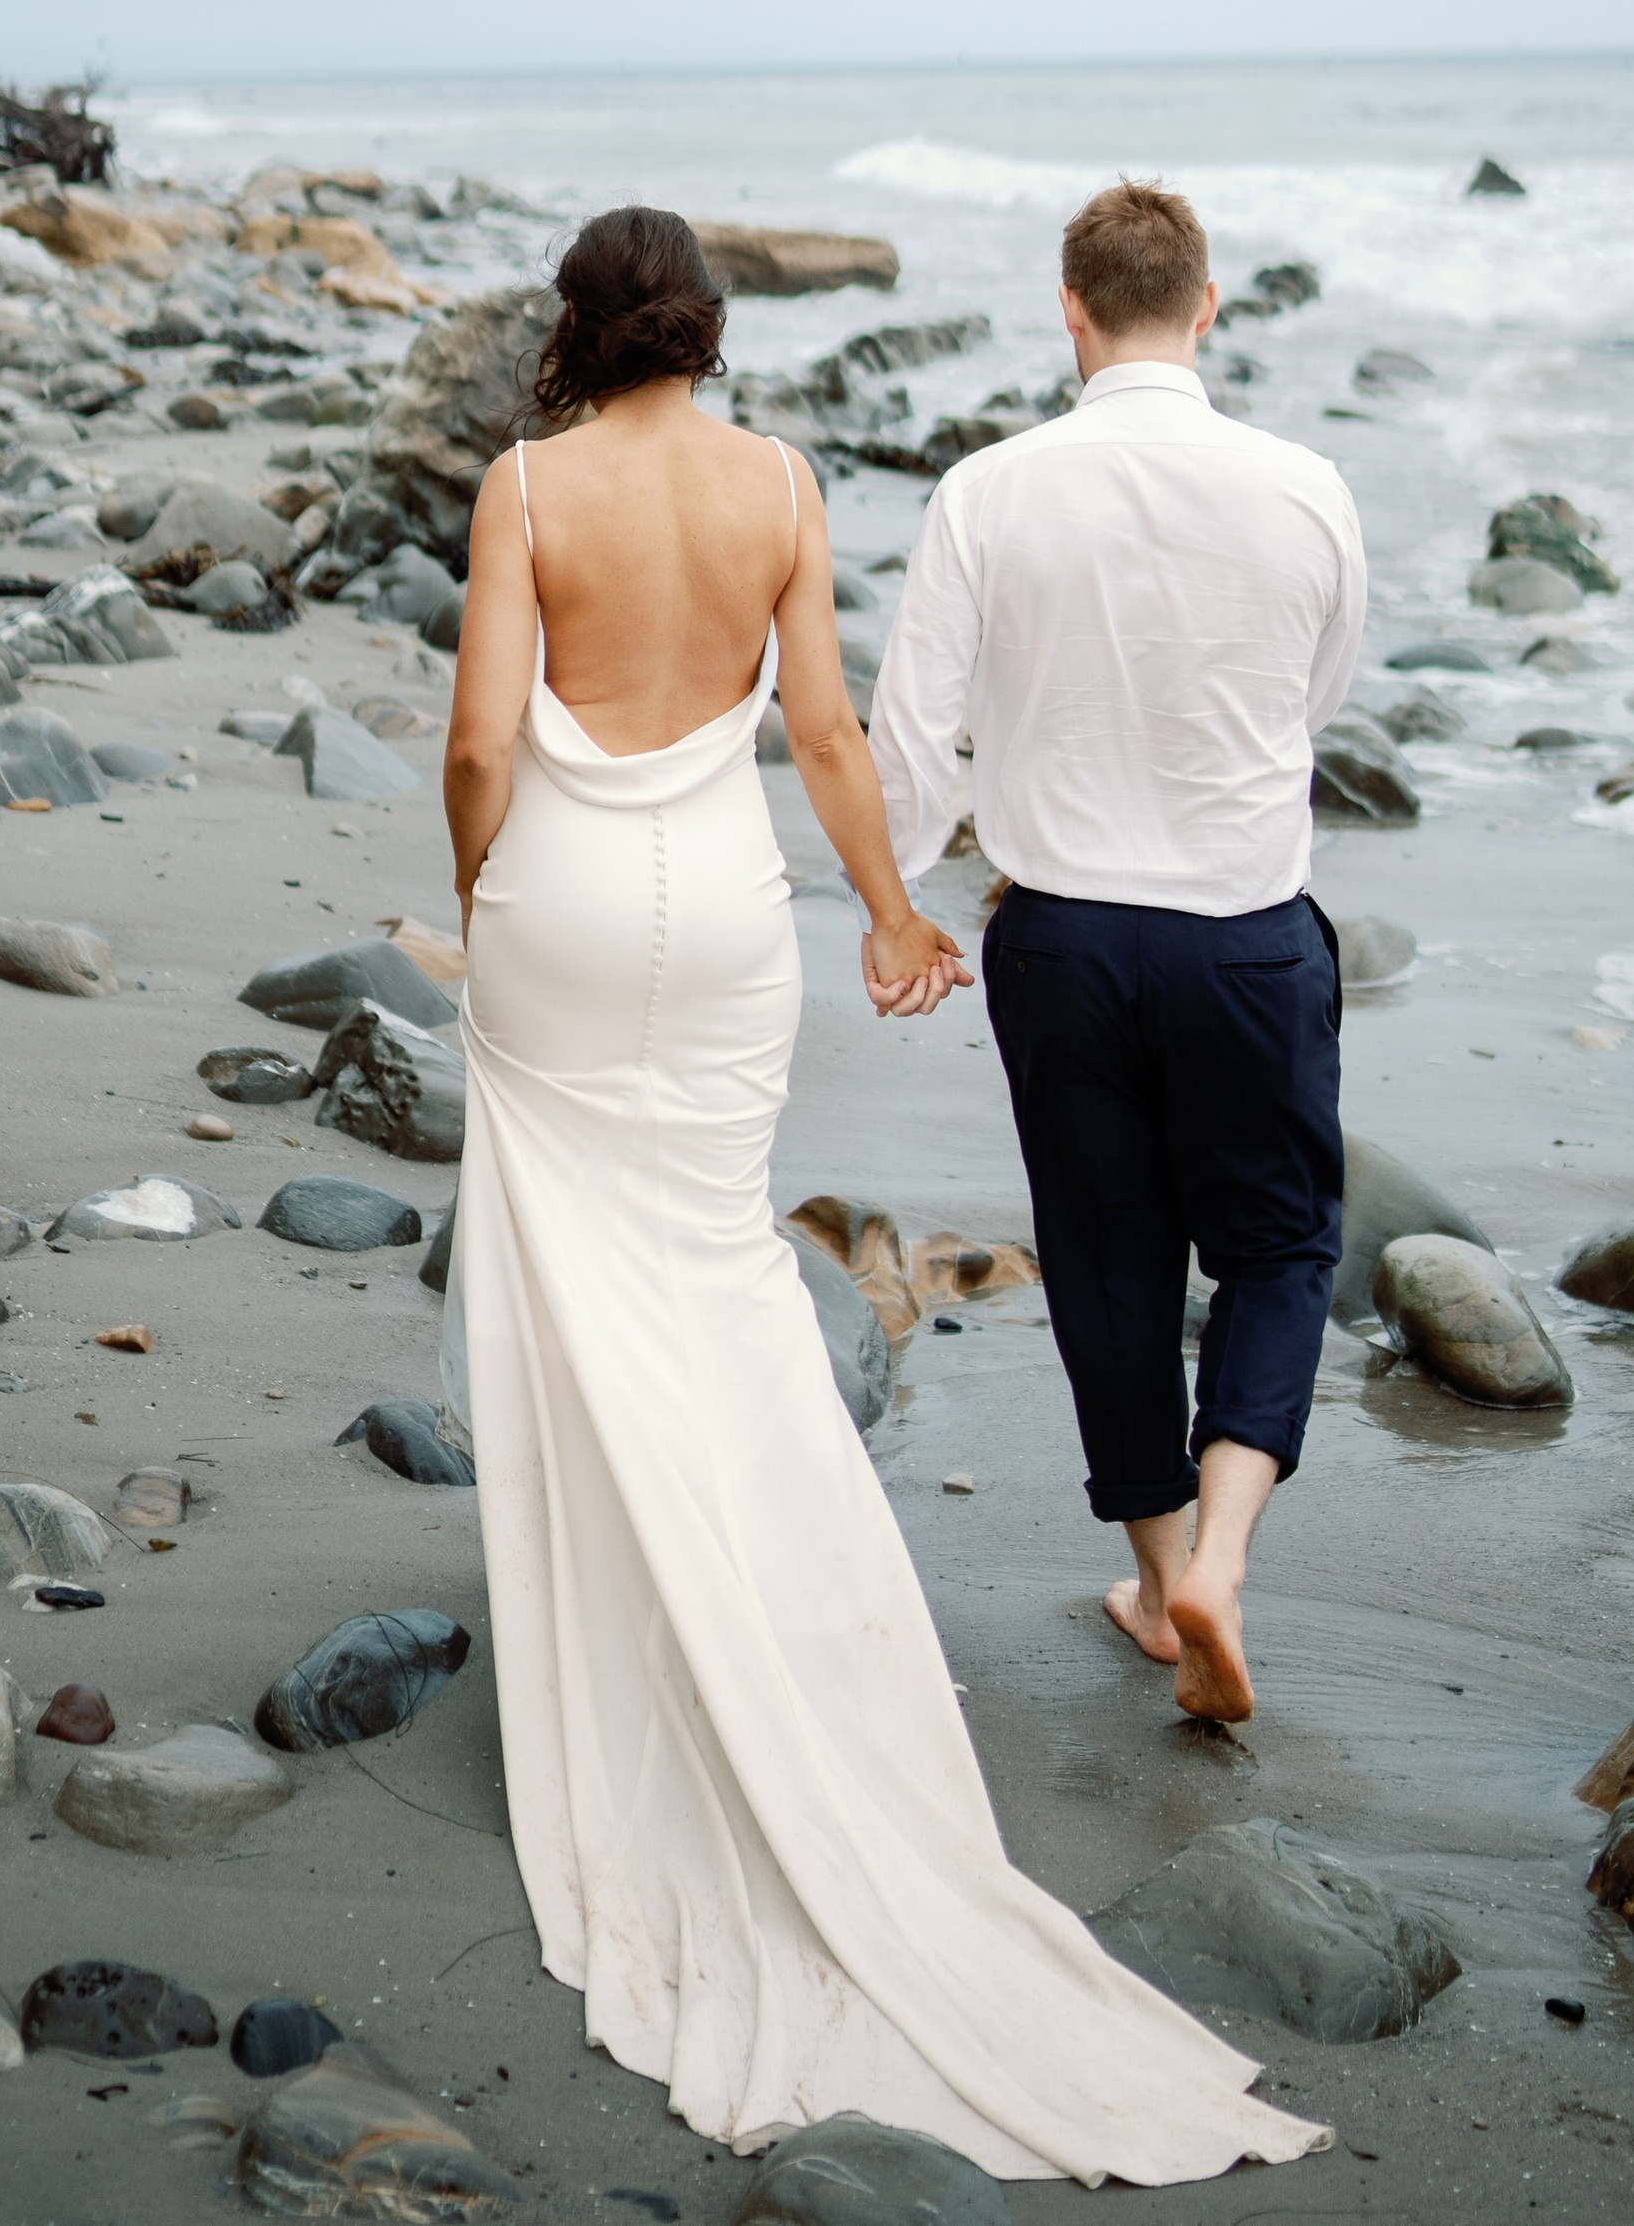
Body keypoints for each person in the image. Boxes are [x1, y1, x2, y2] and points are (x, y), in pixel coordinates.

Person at [438, 203, 1328, 2186]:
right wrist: (893, 906)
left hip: (567, 910)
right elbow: (829, 729)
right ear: (710, 324)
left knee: (571, 1256)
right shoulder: (777, 481)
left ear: (581, 326)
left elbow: (486, 735)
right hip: (730, 924)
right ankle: (804, 1618)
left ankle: (613, 1585)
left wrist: (484, 884)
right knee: (725, 1272)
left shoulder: (522, 482)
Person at [869, 179, 1366, 1730]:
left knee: (1107, 1254)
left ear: (1069, 312)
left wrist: (898, 899)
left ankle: (1159, 1584)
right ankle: (1220, 1552)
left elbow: (911, 726)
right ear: (1206, 307)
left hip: (1063, 933)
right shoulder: (1304, 488)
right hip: (1243, 931)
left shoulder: (991, 488)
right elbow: (1318, 696)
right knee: (1280, 1248)